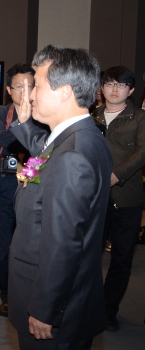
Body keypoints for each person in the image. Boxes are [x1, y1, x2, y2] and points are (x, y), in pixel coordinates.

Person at [9, 45, 112, 349]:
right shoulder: (82, 137)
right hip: (72, 297)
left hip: (55, 312)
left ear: (65, 92)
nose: (30, 95)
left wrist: (45, 310)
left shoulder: (73, 155)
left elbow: (64, 242)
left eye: (37, 86)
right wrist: (25, 121)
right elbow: (46, 152)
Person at [93, 66, 145, 332]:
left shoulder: (139, 118)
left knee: (122, 259)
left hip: (127, 198)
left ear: (131, 90)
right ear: (102, 88)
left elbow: (142, 153)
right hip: (95, 199)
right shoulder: (92, 116)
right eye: (110, 84)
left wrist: (116, 175)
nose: (114, 89)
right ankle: (87, 306)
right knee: (89, 255)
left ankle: (107, 310)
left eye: (121, 85)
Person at [0, 63, 37, 318]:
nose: (24, 91)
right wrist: (28, 135)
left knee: (32, 242)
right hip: (6, 183)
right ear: (9, 89)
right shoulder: (0, 111)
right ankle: (6, 295)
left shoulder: (44, 112)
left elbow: (47, 142)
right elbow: (1, 137)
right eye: (19, 86)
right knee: (5, 243)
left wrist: (23, 136)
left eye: (30, 85)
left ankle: (32, 292)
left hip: (36, 184)